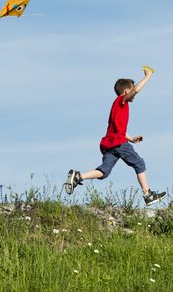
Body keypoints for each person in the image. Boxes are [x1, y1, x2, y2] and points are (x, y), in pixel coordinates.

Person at [65, 66, 166, 206]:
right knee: (139, 163)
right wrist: (148, 76)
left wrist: (132, 139)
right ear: (126, 91)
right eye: (131, 92)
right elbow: (136, 89)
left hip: (109, 144)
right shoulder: (121, 101)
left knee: (104, 171)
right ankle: (147, 194)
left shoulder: (117, 106)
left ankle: (78, 176)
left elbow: (118, 130)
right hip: (118, 143)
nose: (134, 94)